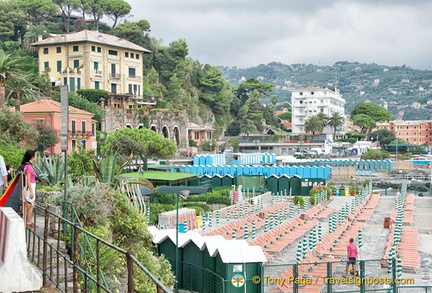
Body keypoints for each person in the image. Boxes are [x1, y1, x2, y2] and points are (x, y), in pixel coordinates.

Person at [21, 150, 38, 228]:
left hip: (28, 186)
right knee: (30, 204)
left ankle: (25, 220)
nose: (36, 157)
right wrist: (31, 191)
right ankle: (28, 221)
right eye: (35, 155)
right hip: (29, 186)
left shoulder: (26, 165)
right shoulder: (29, 166)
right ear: (32, 157)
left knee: (27, 204)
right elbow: (28, 179)